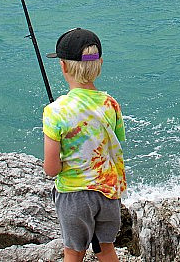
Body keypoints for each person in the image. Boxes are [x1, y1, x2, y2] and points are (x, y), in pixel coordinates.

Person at [42, 28, 126, 262]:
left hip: (75, 197)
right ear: (98, 65)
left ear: (64, 66)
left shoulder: (55, 112)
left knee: (73, 252)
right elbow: (115, 143)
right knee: (105, 248)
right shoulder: (111, 104)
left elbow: (51, 169)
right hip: (108, 193)